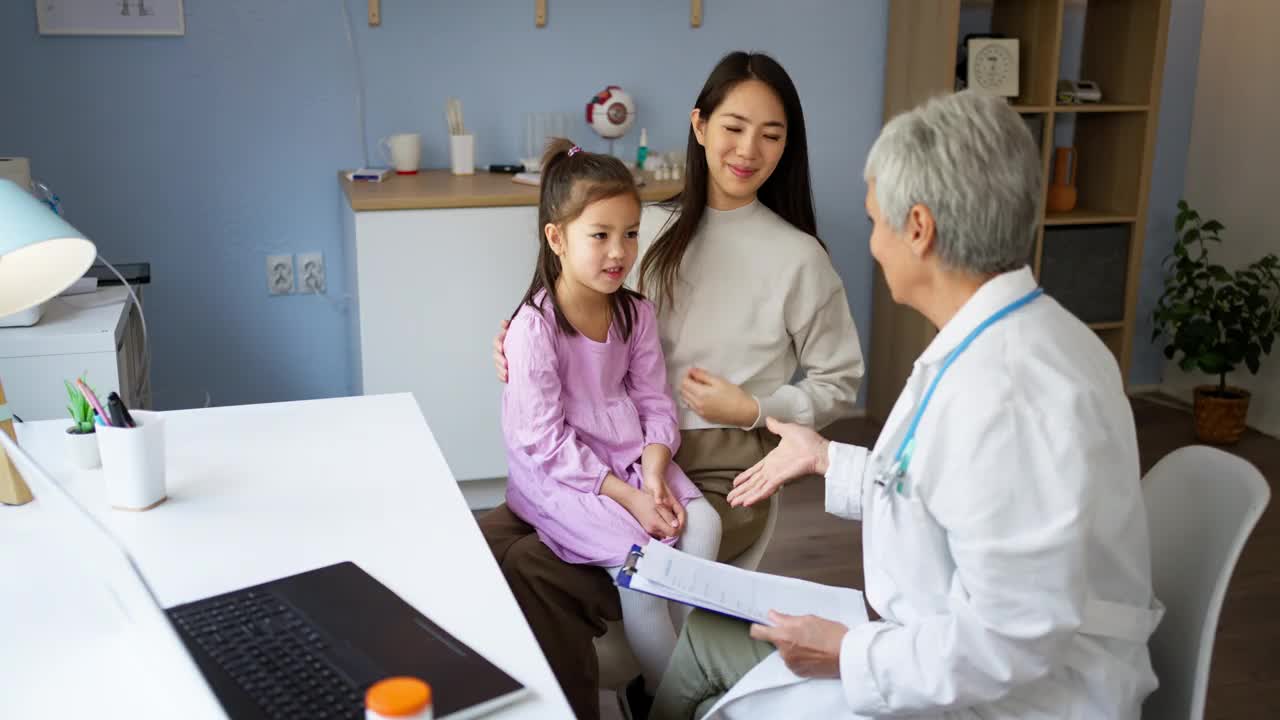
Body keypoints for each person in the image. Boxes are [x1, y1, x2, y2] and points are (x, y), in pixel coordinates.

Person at [650, 90, 1164, 719]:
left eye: (875, 222)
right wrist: (826, 460)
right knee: (707, 636)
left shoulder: (1009, 392)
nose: (871, 244)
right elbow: (953, 493)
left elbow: (1008, 644)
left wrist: (848, 653)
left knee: (728, 697)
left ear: (918, 227)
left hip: (1000, 698)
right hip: (941, 650)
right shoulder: (1015, 337)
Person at [481, 50, 865, 719]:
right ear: (698, 125)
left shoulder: (800, 257)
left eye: (771, 134)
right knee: (485, 545)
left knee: (543, 570)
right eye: (733, 126)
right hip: (613, 444)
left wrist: (753, 407)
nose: (749, 149)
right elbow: (579, 313)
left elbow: (841, 382)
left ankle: (659, 695)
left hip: (721, 456)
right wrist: (517, 342)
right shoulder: (645, 226)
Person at [499, 137, 723, 707]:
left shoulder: (635, 311)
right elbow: (544, 442)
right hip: (563, 473)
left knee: (705, 527)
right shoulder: (534, 329)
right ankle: (675, 700)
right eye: (599, 235)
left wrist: (654, 473)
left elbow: (654, 403)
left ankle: (674, 658)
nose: (618, 251)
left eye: (629, 233)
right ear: (557, 238)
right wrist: (630, 498)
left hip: (628, 456)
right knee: (644, 571)